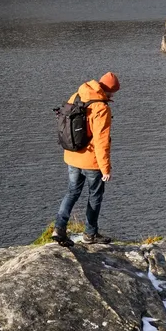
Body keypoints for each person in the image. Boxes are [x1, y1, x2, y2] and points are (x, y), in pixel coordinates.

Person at [51, 71, 120, 246]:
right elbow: (101, 141)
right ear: (110, 91)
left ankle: (59, 228)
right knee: (95, 196)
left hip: (72, 156)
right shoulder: (101, 109)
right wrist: (106, 169)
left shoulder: (77, 95)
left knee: (72, 192)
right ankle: (90, 234)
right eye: (114, 92)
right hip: (91, 161)